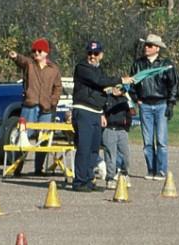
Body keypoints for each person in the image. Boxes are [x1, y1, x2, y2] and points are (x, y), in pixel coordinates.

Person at [71, 41, 133, 192]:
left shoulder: (99, 70)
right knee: (84, 147)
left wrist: (114, 90)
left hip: (96, 112)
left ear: (101, 55)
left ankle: (88, 179)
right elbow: (98, 81)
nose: (92, 56)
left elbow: (102, 86)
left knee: (93, 149)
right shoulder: (82, 67)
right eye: (90, 53)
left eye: (96, 53)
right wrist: (120, 80)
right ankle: (79, 182)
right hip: (83, 110)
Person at [8, 38, 63, 175]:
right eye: (34, 51)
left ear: (46, 53)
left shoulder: (54, 69)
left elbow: (58, 88)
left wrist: (53, 102)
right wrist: (15, 57)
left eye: (39, 50)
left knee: (43, 138)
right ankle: (17, 167)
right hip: (30, 106)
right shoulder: (29, 64)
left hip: (46, 109)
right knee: (24, 136)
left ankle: (39, 169)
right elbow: (21, 60)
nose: (36, 53)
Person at [130, 33, 179, 181]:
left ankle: (161, 171)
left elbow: (174, 85)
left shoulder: (166, 65)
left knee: (161, 141)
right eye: (146, 45)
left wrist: (171, 104)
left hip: (161, 104)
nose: (146, 47)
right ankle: (151, 169)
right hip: (144, 105)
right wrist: (136, 98)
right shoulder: (137, 64)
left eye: (150, 45)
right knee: (147, 142)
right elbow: (132, 83)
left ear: (157, 48)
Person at [102, 89, 133, 190]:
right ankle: (110, 178)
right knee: (111, 155)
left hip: (122, 130)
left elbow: (132, 113)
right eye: (115, 87)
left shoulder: (125, 100)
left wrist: (127, 127)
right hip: (109, 129)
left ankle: (124, 174)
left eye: (119, 88)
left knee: (125, 155)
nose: (117, 90)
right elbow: (101, 111)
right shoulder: (106, 98)